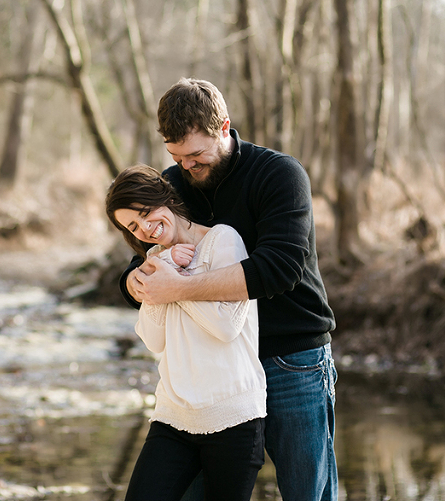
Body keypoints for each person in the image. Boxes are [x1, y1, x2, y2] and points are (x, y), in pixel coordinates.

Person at [120, 78, 338, 500]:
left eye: (196, 155)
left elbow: (278, 269)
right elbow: (141, 260)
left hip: (292, 358)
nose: (187, 166)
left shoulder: (279, 174)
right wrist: (136, 280)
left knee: (306, 493)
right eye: (176, 156)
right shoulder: (175, 182)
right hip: (214, 375)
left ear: (224, 128)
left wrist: (177, 288)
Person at [106, 165, 266, 501]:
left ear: (163, 197)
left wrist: (176, 284)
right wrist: (164, 268)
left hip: (232, 416)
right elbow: (154, 339)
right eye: (133, 226)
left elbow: (226, 326)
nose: (146, 229)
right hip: (173, 415)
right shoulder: (155, 259)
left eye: (145, 213)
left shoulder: (223, 240)